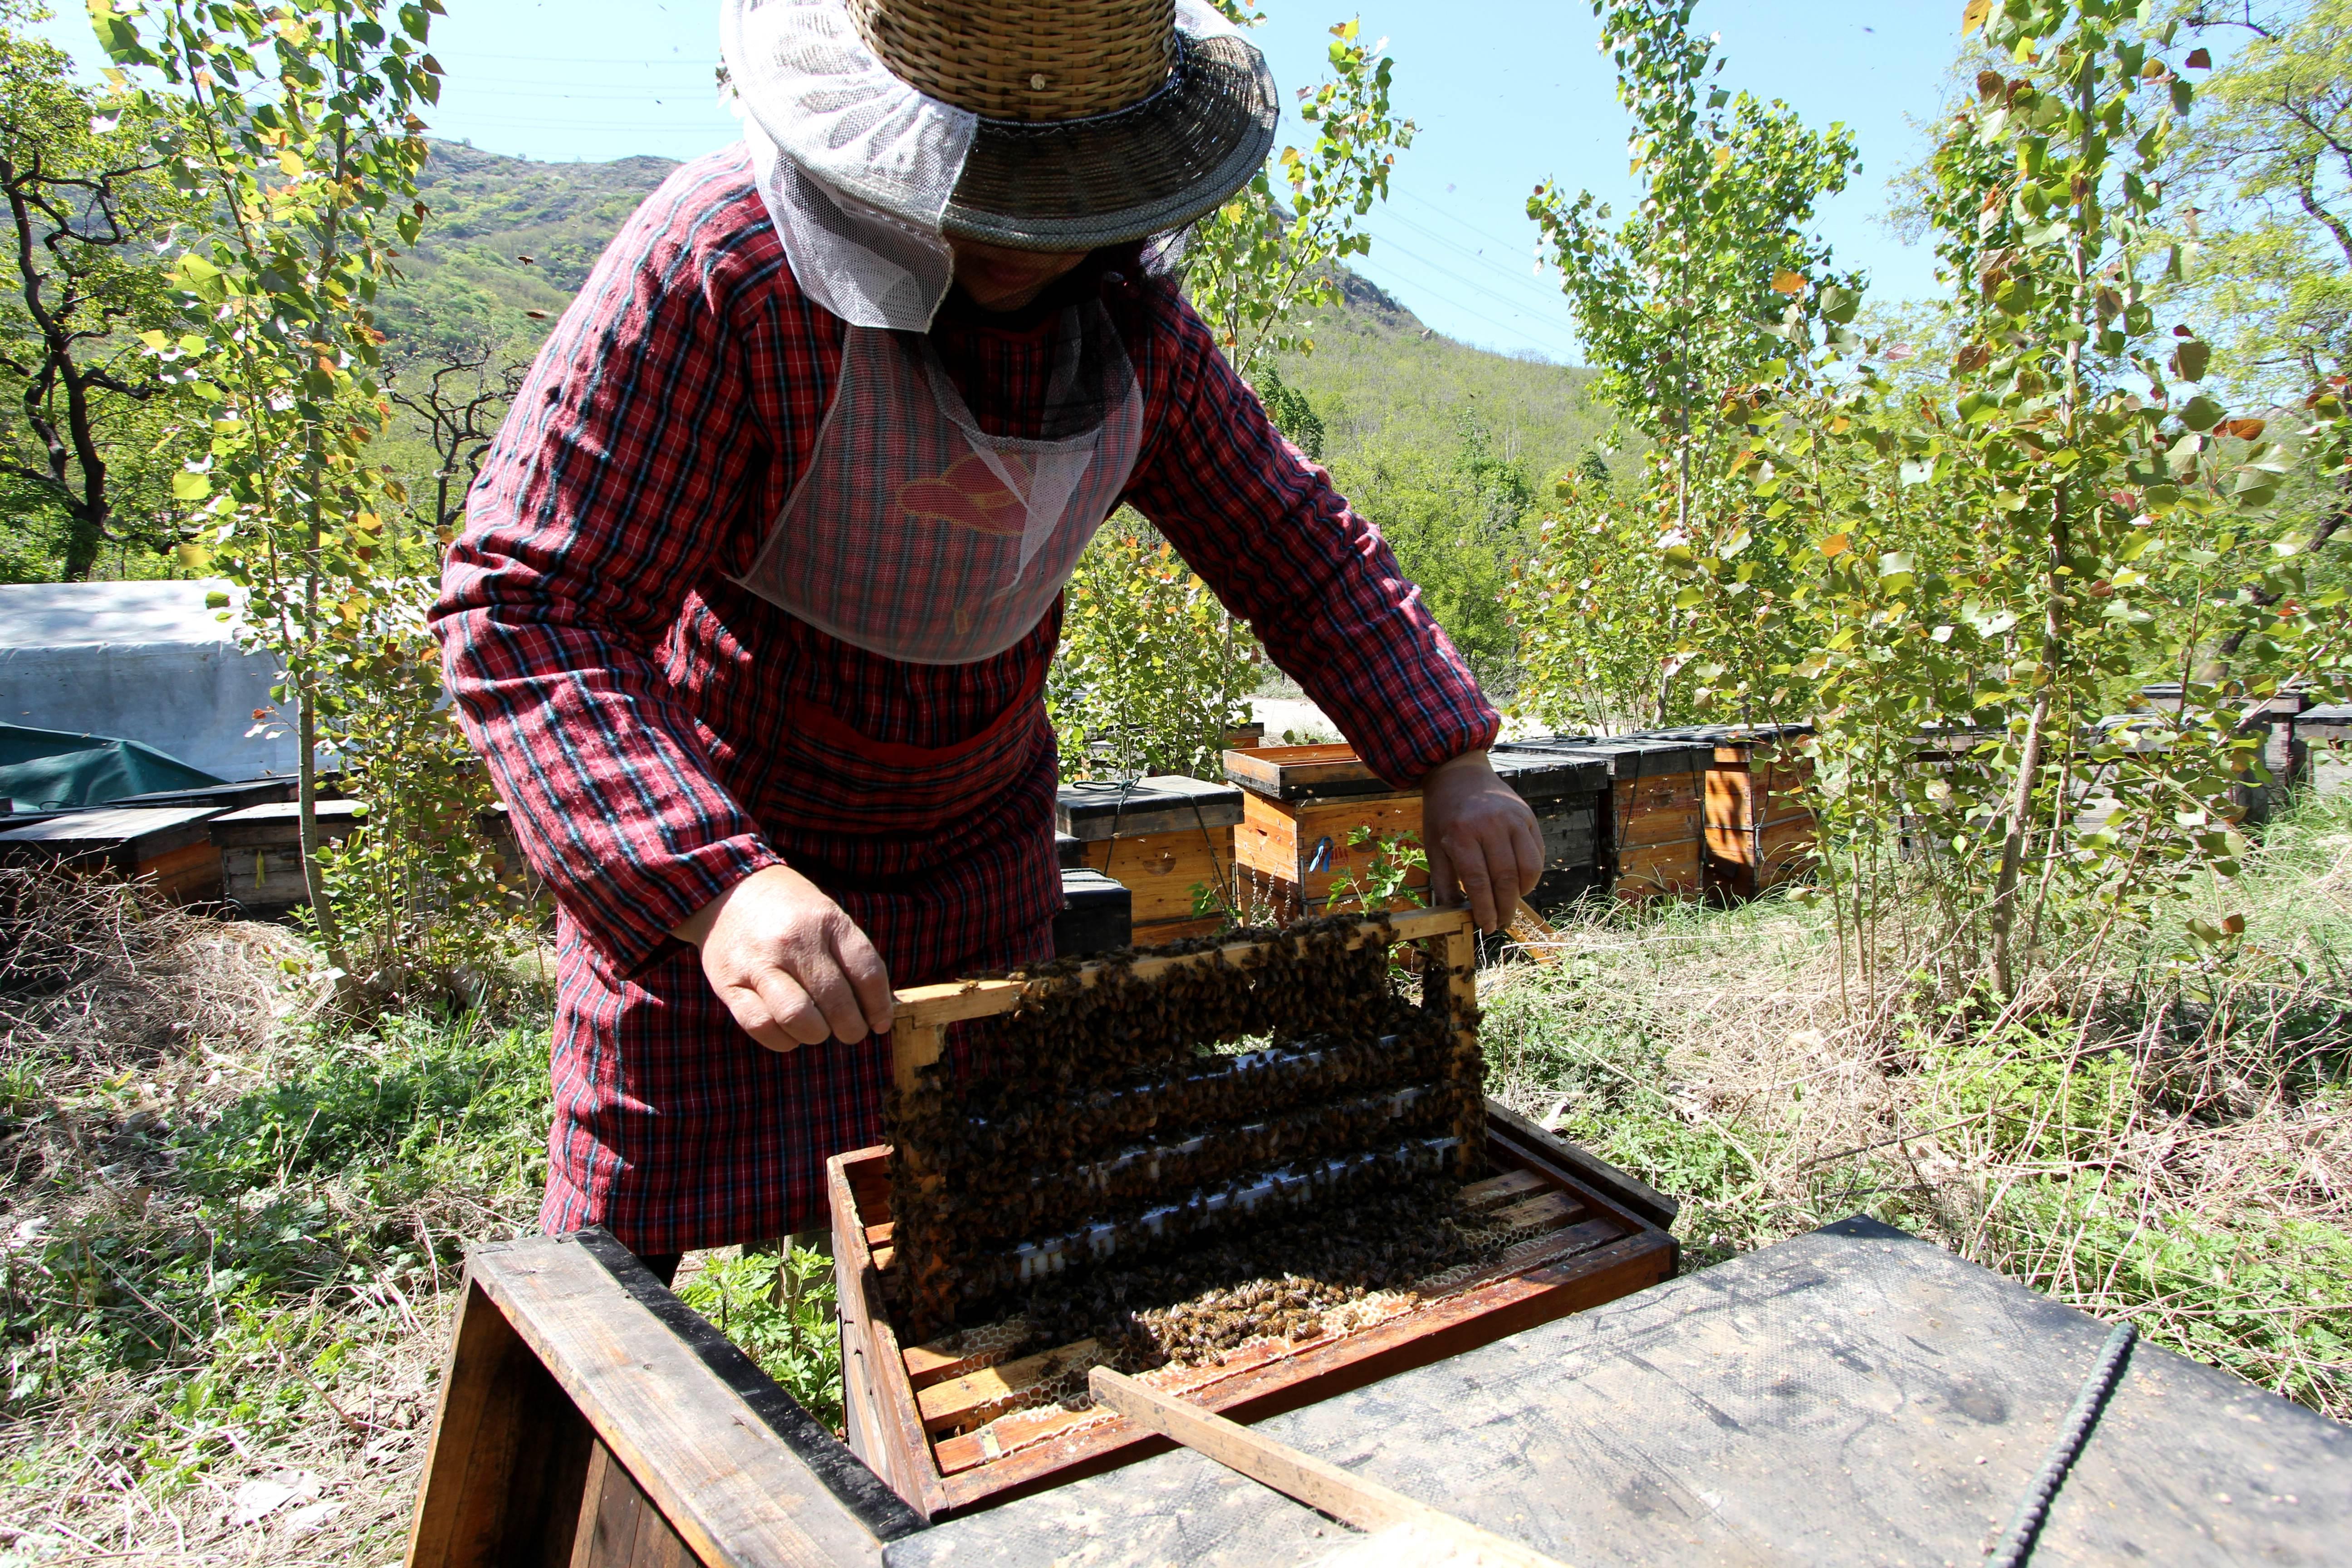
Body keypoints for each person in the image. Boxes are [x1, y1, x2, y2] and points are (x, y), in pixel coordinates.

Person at [431, 0, 1544, 1279]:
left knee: (977, 1235)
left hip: (978, 860)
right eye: (984, 180)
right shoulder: (722, 266)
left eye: (1058, 191)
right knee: (621, 1278)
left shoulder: (1144, 345)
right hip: (732, 839)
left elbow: (1300, 550)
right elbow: (529, 604)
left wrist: (1453, 761)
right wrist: (713, 881)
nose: (1019, 233)